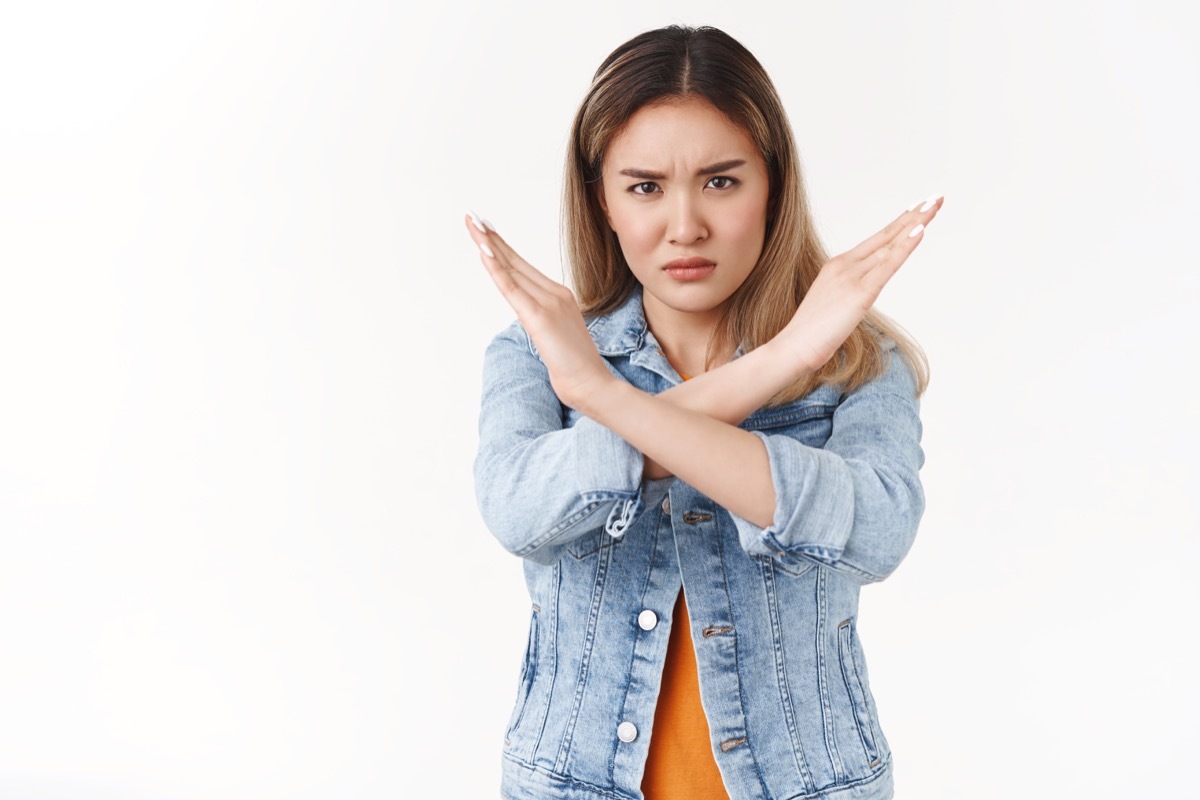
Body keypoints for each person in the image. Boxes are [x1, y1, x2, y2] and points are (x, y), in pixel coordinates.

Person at [466, 24, 940, 800]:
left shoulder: (857, 362)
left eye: (722, 181)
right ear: (603, 201)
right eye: (645, 186)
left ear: (772, 186)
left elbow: (880, 533)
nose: (684, 225)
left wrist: (608, 403)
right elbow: (519, 511)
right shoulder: (536, 356)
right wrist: (778, 359)